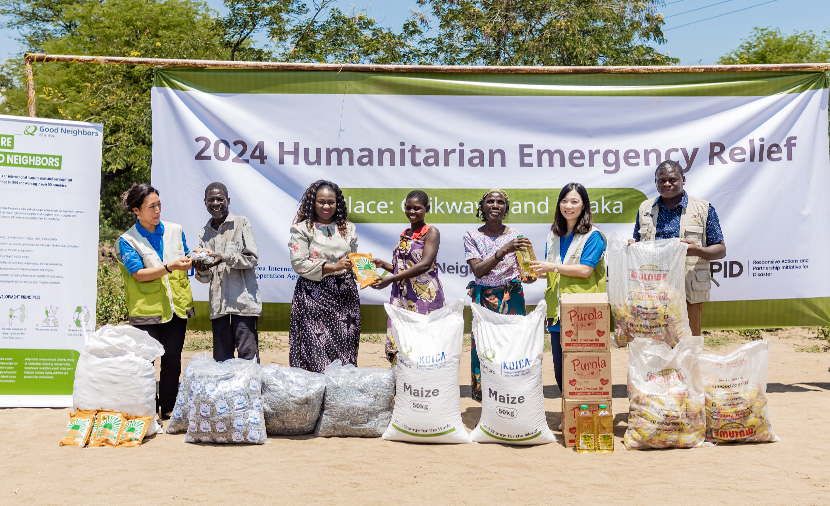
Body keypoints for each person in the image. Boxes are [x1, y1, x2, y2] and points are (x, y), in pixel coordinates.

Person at [115, 183, 194, 419]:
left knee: (172, 361)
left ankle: (169, 409)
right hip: (147, 312)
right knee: (145, 365)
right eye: (152, 207)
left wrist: (195, 257)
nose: (158, 210)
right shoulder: (128, 240)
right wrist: (169, 267)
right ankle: (147, 412)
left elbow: (185, 256)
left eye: (159, 204)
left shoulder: (175, 230)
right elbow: (138, 274)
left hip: (176, 308)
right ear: (137, 211)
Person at [632, 160, 726, 336]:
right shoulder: (645, 208)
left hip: (688, 284)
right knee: (655, 336)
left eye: (672, 179)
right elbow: (638, 243)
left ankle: (689, 363)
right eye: (662, 180)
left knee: (690, 336)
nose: (667, 184)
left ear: (683, 179)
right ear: (656, 182)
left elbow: (720, 250)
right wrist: (632, 246)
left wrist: (696, 250)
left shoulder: (703, 209)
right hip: (654, 284)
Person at [529, 183, 607, 393]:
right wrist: (533, 272)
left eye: (574, 201)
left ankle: (586, 416)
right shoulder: (553, 235)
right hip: (557, 312)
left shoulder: (593, 235)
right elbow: (553, 270)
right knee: (561, 372)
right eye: (564, 201)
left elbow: (585, 270)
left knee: (583, 368)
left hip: (583, 313)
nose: (568, 206)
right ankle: (570, 418)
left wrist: (551, 266)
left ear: (584, 206)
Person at [463, 189, 536, 401]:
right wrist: (503, 250)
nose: (495, 205)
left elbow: (526, 271)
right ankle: (484, 395)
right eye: (490, 202)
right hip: (484, 299)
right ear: (482, 208)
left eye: (500, 202)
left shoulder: (516, 236)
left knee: (514, 345)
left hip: (511, 297)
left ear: (506, 209)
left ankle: (513, 392)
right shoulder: (472, 236)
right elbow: (478, 270)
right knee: (484, 346)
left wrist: (528, 276)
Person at [288, 179, 360, 373]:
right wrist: (333, 266)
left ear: (338, 203)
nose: (326, 206)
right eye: (321, 202)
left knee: (345, 345)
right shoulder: (302, 229)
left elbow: (353, 259)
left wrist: (368, 269)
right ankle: (315, 396)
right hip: (314, 295)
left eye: (331, 202)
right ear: (313, 202)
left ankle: (340, 396)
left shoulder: (348, 228)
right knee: (315, 347)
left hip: (345, 295)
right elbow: (299, 263)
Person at [371, 190, 445, 363]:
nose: (411, 212)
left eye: (417, 208)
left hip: (424, 296)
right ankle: (404, 382)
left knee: (422, 340)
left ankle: (423, 383)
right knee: (402, 339)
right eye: (408, 207)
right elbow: (403, 269)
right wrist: (384, 265)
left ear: (427, 208)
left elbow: (425, 265)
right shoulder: (405, 233)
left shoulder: (432, 232)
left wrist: (390, 279)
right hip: (402, 295)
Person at [192, 182, 262, 362]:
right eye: (211, 200)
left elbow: (252, 259)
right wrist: (201, 269)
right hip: (219, 308)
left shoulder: (241, 223)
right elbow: (205, 277)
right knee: (222, 362)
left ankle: (251, 391)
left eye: (219, 199)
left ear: (228, 200)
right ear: (205, 203)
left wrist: (224, 257)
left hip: (243, 305)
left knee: (248, 359)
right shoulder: (204, 232)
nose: (215, 203)